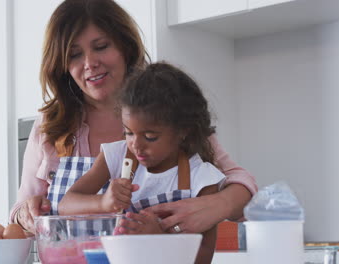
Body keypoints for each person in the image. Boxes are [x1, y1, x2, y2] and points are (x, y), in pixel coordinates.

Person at [9, 0, 257, 237]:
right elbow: (19, 212)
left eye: (101, 46)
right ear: (62, 65)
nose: (90, 63)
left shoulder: (167, 109)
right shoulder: (50, 126)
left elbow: (241, 182)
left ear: (125, 47)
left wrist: (220, 204)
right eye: (74, 55)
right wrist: (26, 214)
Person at [60, 62, 225, 263]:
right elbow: (66, 205)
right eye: (128, 132)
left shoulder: (201, 179)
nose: (135, 145)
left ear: (183, 131)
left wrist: (160, 238)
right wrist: (103, 202)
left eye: (150, 136)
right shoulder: (117, 156)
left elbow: (203, 257)